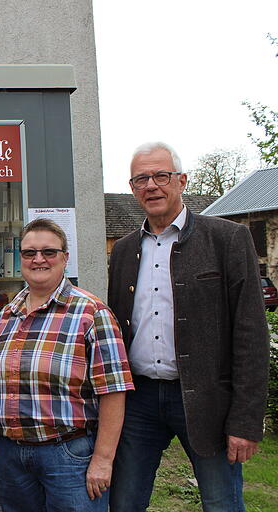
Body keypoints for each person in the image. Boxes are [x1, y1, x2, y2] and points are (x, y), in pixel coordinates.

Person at [108, 142, 270, 512]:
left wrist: (245, 420)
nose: (151, 185)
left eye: (161, 176)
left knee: (221, 502)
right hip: (140, 400)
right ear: (132, 188)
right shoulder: (123, 250)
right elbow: (117, 328)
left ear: (181, 180)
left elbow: (250, 334)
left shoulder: (227, 239)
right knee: (124, 502)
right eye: (141, 179)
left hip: (206, 400)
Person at [0, 218, 134, 512]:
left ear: (65, 257)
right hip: (11, 455)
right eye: (29, 252)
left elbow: (114, 391)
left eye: (49, 252)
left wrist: (103, 459)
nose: (38, 259)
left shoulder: (91, 313)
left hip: (67, 455)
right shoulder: (7, 315)